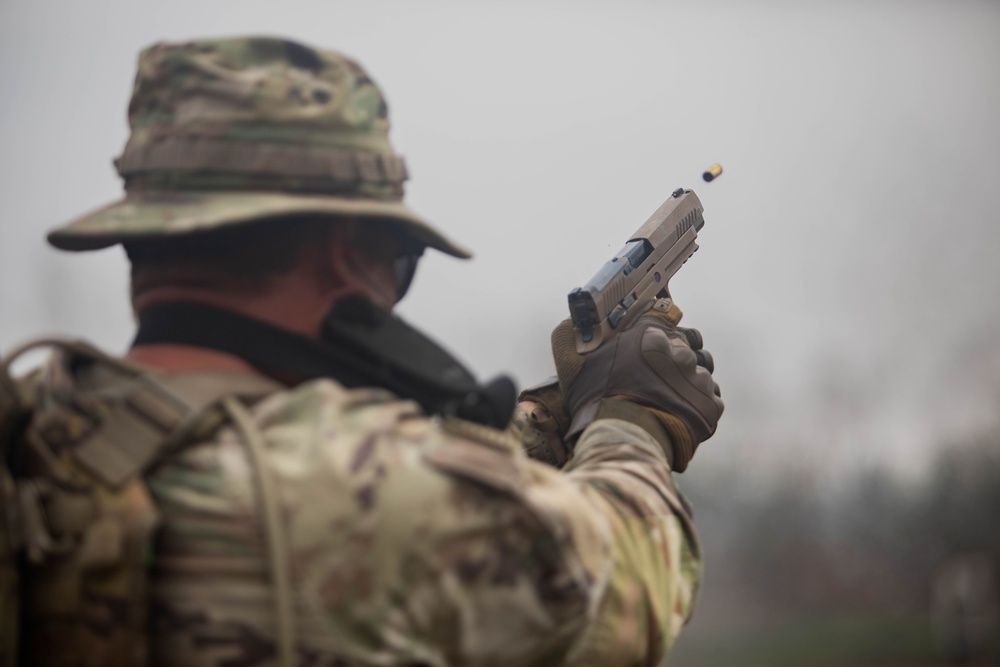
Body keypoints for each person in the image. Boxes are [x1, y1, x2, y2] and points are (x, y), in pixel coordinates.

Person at [0, 37, 723, 667]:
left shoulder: (40, 430)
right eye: (398, 260)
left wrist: (548, 418)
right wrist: (634, 419)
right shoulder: (359, 491)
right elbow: (631, 578)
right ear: (350, 254)